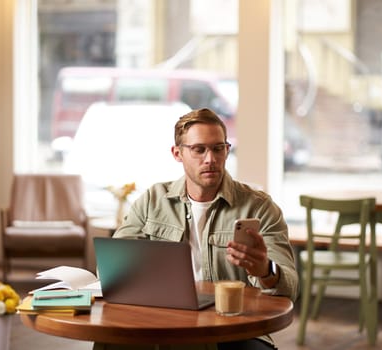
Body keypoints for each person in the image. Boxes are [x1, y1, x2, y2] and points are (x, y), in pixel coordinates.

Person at [112, 108, 299, 350]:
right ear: (177, 153)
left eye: (218, 148)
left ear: (227, 150)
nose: (210, 159)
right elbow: (113, 270)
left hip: (234, 329)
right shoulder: (152, 200)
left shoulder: (259, 207)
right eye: (199, 149)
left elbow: (290, 288)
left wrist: (266, 270)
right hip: (162, 324)